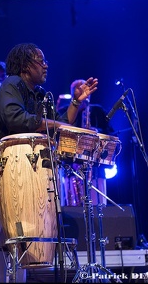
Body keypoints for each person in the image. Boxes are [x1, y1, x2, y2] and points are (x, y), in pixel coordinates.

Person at [0, 43, 99, 282]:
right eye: (41, 61)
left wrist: (76, 102)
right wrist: (55, 125)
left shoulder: (38, 94)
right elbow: (15, 118)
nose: (46, 65)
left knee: (16, 240)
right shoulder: (11, 85)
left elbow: (59, 124)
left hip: (21, 172)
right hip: (0, 172)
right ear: (27, 66)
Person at [57, 79, 114, 207]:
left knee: (99, 208)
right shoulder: (63, 112)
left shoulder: (98, 111)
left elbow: (111, 133)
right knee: (74, 208)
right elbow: (59, 136)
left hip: (96, 170)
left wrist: (97, 132)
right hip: (72, 169)